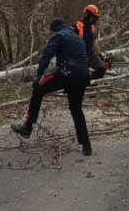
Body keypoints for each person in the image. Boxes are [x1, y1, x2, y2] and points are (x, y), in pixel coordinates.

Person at [10, 18, 105, 155]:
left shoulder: (58, 35)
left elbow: (47, 56)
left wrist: (38, 75)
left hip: (67, 73)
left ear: (53, 29)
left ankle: (27, 127)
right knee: (76, 109)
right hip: (83, 75)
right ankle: (86, 145)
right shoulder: (77, 37)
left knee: (38, 90)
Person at [74, 4, 108, 70]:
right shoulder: (76, 27)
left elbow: (93, 41)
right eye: (93, 18)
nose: (95, 20)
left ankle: (93, 79)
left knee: (101, 69)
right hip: (78, 55)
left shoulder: (92, 28)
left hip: (90, 53)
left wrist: (100, 55)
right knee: (84, 73)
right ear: (87, 15)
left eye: (96, 18)